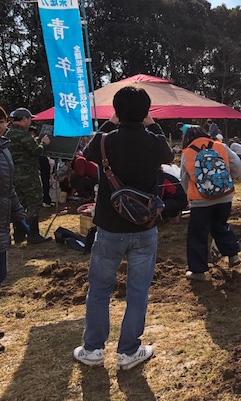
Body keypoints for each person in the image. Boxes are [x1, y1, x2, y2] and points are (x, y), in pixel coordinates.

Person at [73, 86, 173, 370]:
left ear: (116, 111)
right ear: (146, 113)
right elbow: (166, 151)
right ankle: (129, 352)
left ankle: (93, 349)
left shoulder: (104, 142)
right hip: (145, 229)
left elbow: (91, 146)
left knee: (100, 290)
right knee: (138, 291)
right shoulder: (155, 143)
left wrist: (112, 120)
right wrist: (151, 123)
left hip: (109, 229)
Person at [181, 126, 241, 278]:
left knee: (198, 235)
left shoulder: (187, 153)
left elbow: (184, 179)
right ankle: (233, 254)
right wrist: (228, 179)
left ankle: (198, 271)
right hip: (225, 195)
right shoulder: (219, 146)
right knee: (220, 226)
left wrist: (189, 196)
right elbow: (238, 167)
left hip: (200, 200)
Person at [0, 106, 27, 354]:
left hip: (3, 217)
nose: (4, 124)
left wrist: (19, 215)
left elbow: (8, 187)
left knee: (1, 273)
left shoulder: (4, 147)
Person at [6, 108, 51, 244]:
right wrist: (43, 142)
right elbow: (36, 151)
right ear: (24, 119)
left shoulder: (8, 134)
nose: (30, 121)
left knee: (20, 204)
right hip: (28, 175)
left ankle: (19, 234)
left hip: (14, 175)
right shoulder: (23, 135)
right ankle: (34, 235)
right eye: (29, 119)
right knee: (34, 203)